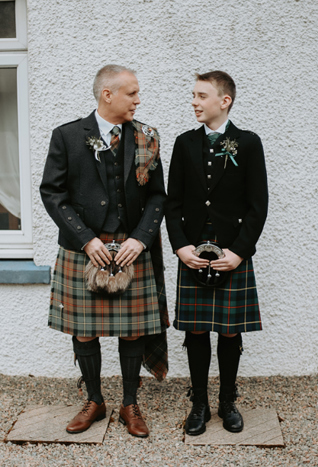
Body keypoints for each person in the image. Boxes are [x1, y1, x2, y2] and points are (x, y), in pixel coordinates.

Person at [40, 65, 169, 438]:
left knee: (132, 332)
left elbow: (158, 195)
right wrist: (86, 239)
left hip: (131, 246)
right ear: (107, 94)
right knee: (83, 331)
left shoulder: (147, 137)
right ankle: (95, 400)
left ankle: (130, 403)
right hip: (85, 249)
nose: (138, 100)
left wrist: (140, 238)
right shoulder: (66, 136)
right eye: (132, 93)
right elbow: (53, 193)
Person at [164, 71, 268, 436]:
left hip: (231, 251)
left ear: (224, 101)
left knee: (228, 330)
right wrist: (180, 247)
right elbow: (171, 203)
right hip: (192, 249)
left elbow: (258, 206)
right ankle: (200, 404)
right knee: (195, 329)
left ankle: (227, 400)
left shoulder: (248, 143)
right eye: (193, 94)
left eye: (201, 95)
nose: (194, 101)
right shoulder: (183, 143)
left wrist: (239, 253)